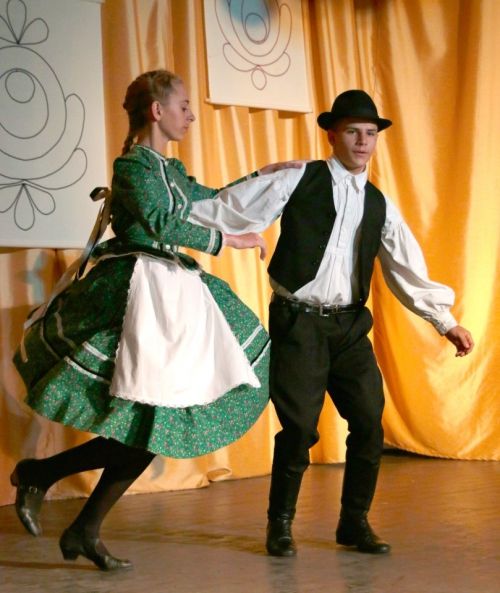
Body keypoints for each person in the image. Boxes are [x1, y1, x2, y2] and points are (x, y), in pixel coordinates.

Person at [10, 69, 298, 571]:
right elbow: (161, 221)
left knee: (156, 424)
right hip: (141, 295)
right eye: (183, 106)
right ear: (156, 111)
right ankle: (56, 493)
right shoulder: (132, 167)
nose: (191, 115)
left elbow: (210, 201)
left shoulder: (171, 170)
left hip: (174, 294)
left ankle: (67, 507)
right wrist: (228, 240)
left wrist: (263, 176)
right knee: (150, 422)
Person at [188, 89, 474, 556]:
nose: (362, 141)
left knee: (369, 423)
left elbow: (406, 269)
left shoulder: (379, 204)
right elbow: (231, 208)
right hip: (299, 322)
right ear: (332, 135)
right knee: (300, 428)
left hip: (349, 327)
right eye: (352, 132)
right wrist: (169, 217)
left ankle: (353, 523)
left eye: (370, 133)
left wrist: (445, 322)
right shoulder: (299, 178)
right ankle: (280, 524)